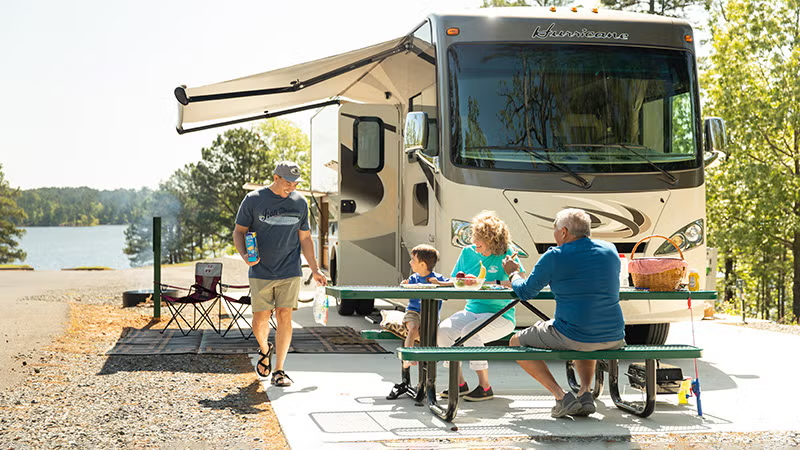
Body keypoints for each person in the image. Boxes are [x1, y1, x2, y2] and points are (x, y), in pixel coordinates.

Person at [501, 208, 625, 418]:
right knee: (583, 332)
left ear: (565, 232)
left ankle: (561, 397)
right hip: (614, 336)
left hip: (574, 334)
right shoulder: (610, 250)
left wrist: (512, 272)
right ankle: (585, 392)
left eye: (555, 229)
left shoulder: (555, 256)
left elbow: (525, 292)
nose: (554, 234)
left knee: (515, 342)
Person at [233, 161, 327, 387]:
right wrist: (246, 256)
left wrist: (314, 269)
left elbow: (305, 238)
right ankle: (265, 350)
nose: (292, 187)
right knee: (260, 320)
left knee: (285, 315)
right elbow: (239, 232)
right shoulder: (254, 200)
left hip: (289, 269)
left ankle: (279, 370)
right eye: (287, 182)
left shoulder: (300, 202)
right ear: (275, 178)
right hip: (261, 270)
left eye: (295, 183)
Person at [434, 211, 523, 402]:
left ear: (493, 241)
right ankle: (459, 384)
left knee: (470, 332)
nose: (476, 246)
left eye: (480, 243)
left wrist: (493, 282)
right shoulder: (467, 252)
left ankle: (485, 386)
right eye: (475, 241)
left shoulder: (508, 253)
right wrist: (461, 281)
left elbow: (520, 281)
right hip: (472, 310)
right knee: (443, 331)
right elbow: (456, 279)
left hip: (502, 315)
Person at [400, 244, 448, 369]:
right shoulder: (413, 278)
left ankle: (428, 365)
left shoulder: (436, 278)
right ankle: (407, 357)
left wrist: (440, 284)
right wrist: (403, 285)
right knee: (414, 328)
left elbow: (453, 284)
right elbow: (404, 288)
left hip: (430, 315)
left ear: (422, 264)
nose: (410, 262)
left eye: (413, 260)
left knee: (429, 337)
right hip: (413, 312)